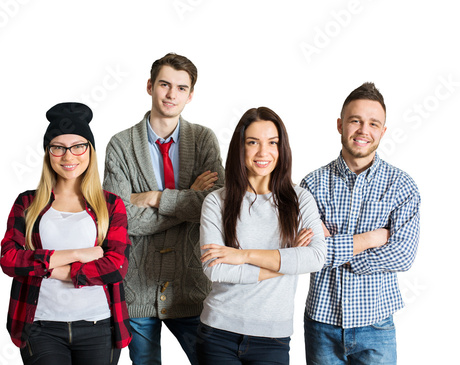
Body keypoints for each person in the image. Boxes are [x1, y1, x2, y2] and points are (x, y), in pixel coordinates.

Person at [103, 53, 225, 364]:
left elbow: (216, 206)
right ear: (150, 86)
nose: (172, 95)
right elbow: (119, 220)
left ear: (191, 94)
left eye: (181, 88)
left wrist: (157, 197)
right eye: (164, 85)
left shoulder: (203, 140)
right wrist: (188, 198)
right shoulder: (120, 145)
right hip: (137, 289)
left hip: (192, 286)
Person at [0, 102, 132, 365]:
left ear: (90, 151)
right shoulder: (27, 203)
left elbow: (116, 266)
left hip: (99, 326)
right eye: (58, 147)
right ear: (48, 153)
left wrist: (47, 266)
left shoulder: (110, 204)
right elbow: (10, 259)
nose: (69, 156)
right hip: (40, 327)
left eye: (78, 146)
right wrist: (78, 254)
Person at [300, 82, 421, 364]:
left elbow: (403, 255)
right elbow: (307, 253)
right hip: (321, 322)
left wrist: (335, 249)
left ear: (382, 131)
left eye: (373, 123)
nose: (363, 130)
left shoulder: (402, 186)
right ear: (341, 124)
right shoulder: (311, 184)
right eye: (355, 121)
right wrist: (371, 239)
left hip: (376, 324)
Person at [197, 107, 327, 364]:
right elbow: (216, 269)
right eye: (253, 142)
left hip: (273, 338)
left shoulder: (300, 200)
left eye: (272, 143)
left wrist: (242, 255)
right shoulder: (216, 202)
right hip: (218, 333)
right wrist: (286, 263)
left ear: (282, 149)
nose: (263, 152)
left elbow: (315, 258)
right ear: (240, 147)